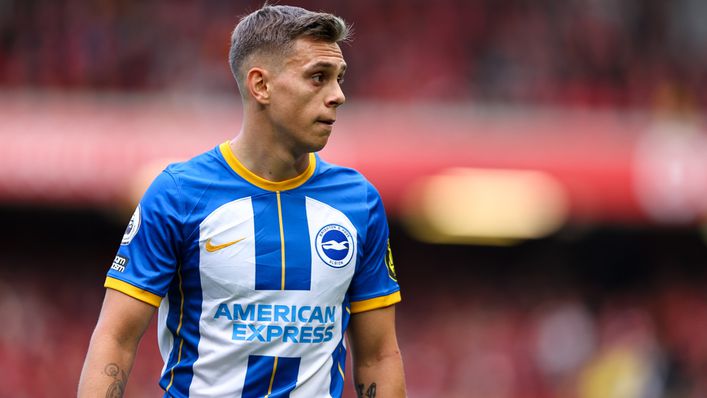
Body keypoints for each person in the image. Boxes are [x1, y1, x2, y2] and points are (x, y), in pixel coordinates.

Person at [78, 4, 406, 398]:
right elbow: (115, 339)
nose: (338, 96)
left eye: (339, 79)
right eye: (318, 78)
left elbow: (379, 356)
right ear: (260, 85)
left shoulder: (359, 202)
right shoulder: (179, 194)